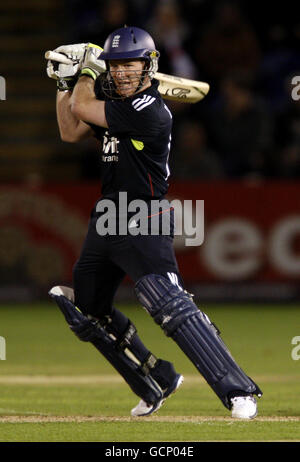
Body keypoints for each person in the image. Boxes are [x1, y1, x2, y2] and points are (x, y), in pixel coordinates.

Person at [46, 26, 262, 418]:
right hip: (108, 215)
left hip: (144, 213)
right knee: (87, 311)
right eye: (116, 66)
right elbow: (69, 129)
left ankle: (238, 391)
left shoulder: (148, 109)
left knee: (169, 305)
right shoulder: (113, 101)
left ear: (149, 67)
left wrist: (86, 72)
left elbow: (82, 108)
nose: (124, 73)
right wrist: (65, 81)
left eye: (131, 64)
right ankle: (157, 379)